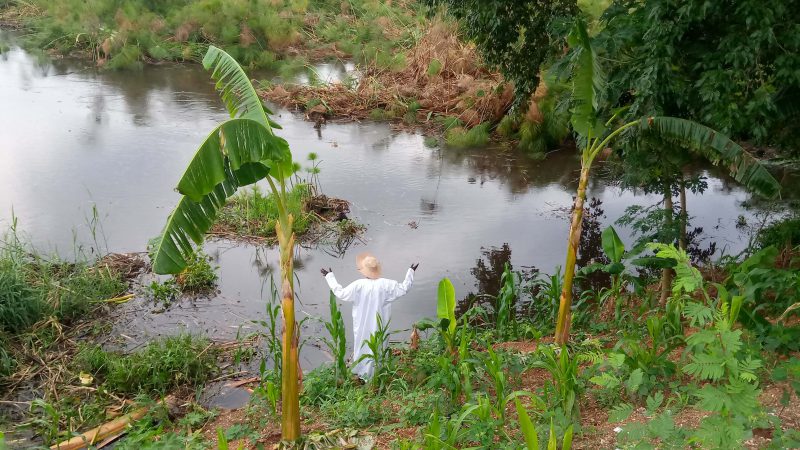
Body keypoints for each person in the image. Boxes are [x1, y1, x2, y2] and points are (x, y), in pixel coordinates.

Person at [322, 253, 419, 380]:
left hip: (362, 324)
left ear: (363, 271)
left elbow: (341, 293)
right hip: (380, 323)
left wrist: (329, 277)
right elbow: (404, 288)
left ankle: (362, 372)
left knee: (362, 344)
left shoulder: (358, 285)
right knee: (379, 345)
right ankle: (377, 373)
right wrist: (410, 272)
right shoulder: (386, 285)